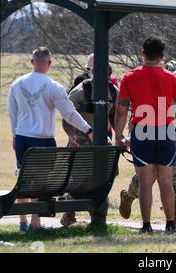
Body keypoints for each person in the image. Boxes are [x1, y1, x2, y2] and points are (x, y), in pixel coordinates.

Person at [114, 37, 176, 234]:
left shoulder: (129, 77)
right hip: (166, 131)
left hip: (141, 130)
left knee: (145, 182)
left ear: (143, 53)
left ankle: (146, 225)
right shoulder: (171, 77)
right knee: (166, 181)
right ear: (161, 56)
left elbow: (121, 111)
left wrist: (118, 136)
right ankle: (170, 224)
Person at [8, 47, 92, 231]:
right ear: (49, 63)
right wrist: (88, 129)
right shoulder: (54, 86)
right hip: (44, 139)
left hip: (23, 137)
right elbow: (69, 114)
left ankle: (23, 222)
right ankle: (35, 222)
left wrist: (14, 135)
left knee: (23, 178)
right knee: (40, 182)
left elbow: (12, 114)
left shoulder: (17, 84)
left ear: (32, 62)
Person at [118, 60, 176, 229]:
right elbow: (133, 117)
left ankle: (171, 218)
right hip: (157, 133)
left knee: (170, 179)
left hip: (167, 135)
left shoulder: (172, 85)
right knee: (148, 180)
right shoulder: (166, 81)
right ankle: (131, 199)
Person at [59, 64, 118, 227]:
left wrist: (118, 135)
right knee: (79, 176)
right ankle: (70, 213)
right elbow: (67, 116)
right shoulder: (80, 90)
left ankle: (96, 212)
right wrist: (71, 136)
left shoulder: (113, 91)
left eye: (106, 75)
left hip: (101, 138)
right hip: (80, 137)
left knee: (108, 173)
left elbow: (113, 115)